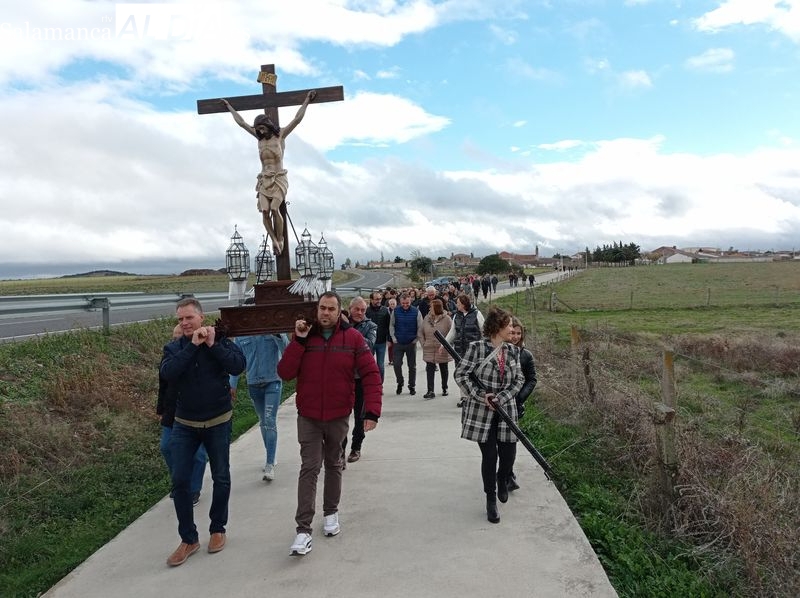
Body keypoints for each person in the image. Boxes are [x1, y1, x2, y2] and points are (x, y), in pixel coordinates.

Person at [277, 291, 382, 556]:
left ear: (339, 311)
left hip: (337, 415)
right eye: (322, 308)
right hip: (309, 415)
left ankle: (331, 513)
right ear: (317, 310)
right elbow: (285, 373)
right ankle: (302, 530)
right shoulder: (305, 337)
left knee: (334, 464)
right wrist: (298, 341)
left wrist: (371, 411)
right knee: (309, 467)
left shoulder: (353, 338)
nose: (326, 313)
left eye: (331, 309)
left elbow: (370, 373)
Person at [160, 298, 246, 566]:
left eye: (189, 318)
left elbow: (237, 365)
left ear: (200, 318)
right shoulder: (174, 348)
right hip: (185, 424)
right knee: (180, 481)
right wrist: (193, 347)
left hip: (218, 420)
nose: (185, 323)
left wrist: (212, 344)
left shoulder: (218, 341)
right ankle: (189, 539)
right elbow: (168, 374)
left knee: (221, 476)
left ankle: (217, 529)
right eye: (180, 319)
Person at [221, 90, 316, 254]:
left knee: (274, 209)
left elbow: (297, 119)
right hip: (264, 180)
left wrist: (307, 100)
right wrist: (229, 107)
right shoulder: (259, 139)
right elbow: (242, 123)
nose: (261, 132)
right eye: (258, 129)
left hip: (279, 178)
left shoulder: (281, 135)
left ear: (268, 125)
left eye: (263, 128)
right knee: (265, 212)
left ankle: (280, 238)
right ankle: (274, 241)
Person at [454, 306, 523, 525]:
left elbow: (519, 380)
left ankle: (503, 478)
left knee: (509, 454)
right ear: (498, 326)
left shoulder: (513, 351)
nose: (512, 329)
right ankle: (490, 498)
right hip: (481, 412)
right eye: (509, 325)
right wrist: (480, 395)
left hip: (506, 411)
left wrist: (502, 397)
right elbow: (461, 374)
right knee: (490, 456)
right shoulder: (477, 348)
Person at [157, 324, 207, 506]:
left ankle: (193, 489)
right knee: (166, 447)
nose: (178, 340)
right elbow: (162, 384)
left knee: (198, 454)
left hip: (195, 412)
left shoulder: (196, 353)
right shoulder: (169, 355)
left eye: (180, 337)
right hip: (172, 411)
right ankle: (180, 482)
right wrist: (160, 409)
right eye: (175, 338)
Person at [229, 333, 288, 482]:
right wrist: (232, 385)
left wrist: (278, 335)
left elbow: (286, 350)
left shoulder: (272, 330)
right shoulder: (241, 336)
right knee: (262, 420)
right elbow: (236, 362)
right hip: (253, 383)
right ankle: (271, 453)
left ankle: (269, 464)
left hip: (272, 381)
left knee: (269, 420)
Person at [343, 296, 377, 464]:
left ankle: (356, 448)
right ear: (350, 309)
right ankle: (340, 450)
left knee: (359, 416)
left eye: (363, 310)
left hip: (360, 378)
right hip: (343, 378)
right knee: (341, 416)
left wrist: (349, 330)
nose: (360, 313)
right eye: (357, 309)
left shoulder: (370, 326)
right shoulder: (339, 324)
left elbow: (369, 346)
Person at [507, 317, 537, 491]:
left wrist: (520, 398)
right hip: (499, 402)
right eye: (513, 333)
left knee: (511, 441)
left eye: (519, 333)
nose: (516, 336)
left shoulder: (526, 355)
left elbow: (532, 379)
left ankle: (509, 473)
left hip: (516, 404)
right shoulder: (500, 351)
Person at [445, 293, 485, 407]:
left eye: (458, 303)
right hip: (459, 350)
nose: (456, 305)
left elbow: (484, 330)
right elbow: (453, 332)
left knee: (474, 374)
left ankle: (476, 396)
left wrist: (485, 346)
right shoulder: (456, 316)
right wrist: (444, 344)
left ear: (463, 304)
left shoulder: (477, 314)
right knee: (461, 374)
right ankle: (464, 397)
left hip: (474, 351)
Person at [389, 292, 423, 396]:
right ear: (400, 302)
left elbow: (420, 327)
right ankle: (400, 382)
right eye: (403, 303)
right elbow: (391, 325)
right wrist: (394, 338)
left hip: (411, 343)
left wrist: (416, 339)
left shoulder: (416, 312)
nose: (405, 305)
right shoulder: (395, 311)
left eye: (407, 303)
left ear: (410, 301)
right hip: (398, 343)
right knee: (397, 364)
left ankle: (411, 385)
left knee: (412, 366)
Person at [419, 299, 453, 399]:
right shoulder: (427, 318)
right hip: (429, 347)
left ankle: (444, 387)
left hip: (441, 348)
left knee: (443, 368)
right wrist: (423, 343)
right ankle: (430, 391)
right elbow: (420, 332)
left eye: (431, 307)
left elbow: (452, 333)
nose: (429, 308)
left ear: (437, 308)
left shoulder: (447, 319)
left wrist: (446, 344)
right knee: (429, 369)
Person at [365, 291, 391, 382]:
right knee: (369, 365)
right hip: (369, 343)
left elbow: (389, 326)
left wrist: (389, 339)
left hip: (381, 342)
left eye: (380, 299)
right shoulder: (366, 311)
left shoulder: (385, 310)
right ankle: (371, 383)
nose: (378, 301)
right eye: (376, 299)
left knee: (380, 365)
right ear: (371, 300)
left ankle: (380, 384)